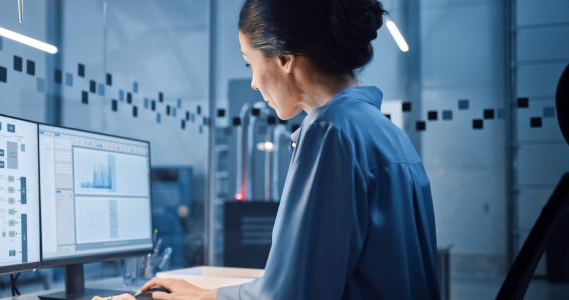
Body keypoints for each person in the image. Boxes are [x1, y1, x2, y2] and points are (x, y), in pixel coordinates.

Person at [95, 0, 439, 298]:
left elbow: (294, 296)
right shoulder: (387, 132)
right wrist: (211, 295)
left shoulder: (330, 133)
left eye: (250, 63)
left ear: (285, 57)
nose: (254, 82)